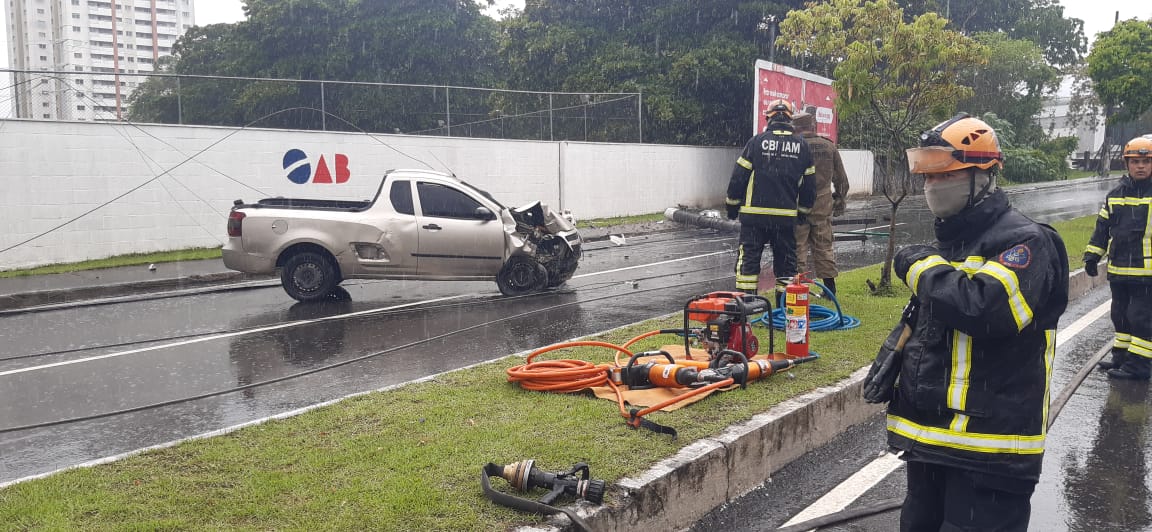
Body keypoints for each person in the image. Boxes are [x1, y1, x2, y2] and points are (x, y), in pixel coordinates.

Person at [887, 113, 1069, 531]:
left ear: (982, 175)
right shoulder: (952, 241)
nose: (933, 186)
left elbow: (985, 311)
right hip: (932, 442)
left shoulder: (1026, 241)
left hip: (992, 452)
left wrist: (919, 268)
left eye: (945, 174)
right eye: (928, 176)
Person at [725, 99, 815, 293]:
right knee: (786, 265)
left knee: (749, 261)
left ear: (769, 118)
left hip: (754, 218)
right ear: (790, 120)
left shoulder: (756, 142)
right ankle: (785, 305)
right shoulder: (802, 147)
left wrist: (732, 206)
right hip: (785, 219)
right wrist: (802, 212)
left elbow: (738, 177)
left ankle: (747, 303)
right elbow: (809, 186)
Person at [1083, 135, 1152, 380]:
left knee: (1141, 319)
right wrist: (1092, 257)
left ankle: (1140, 366)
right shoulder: (1115, 194)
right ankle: (1121, 357)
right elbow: (1102, 228)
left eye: (1146, 161)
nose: (1140, 166)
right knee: (1120, 315)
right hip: (1119, 270)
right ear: (1126, 163)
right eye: (1135, 162)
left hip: (1147, 273)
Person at [791, 111, 850, 294]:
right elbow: (842, 180)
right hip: (822, 206)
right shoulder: (828, 146)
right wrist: (839, 199)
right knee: (824, 248)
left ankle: (798, 290)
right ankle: (830, 290)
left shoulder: (793, 146)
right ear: (813, 126)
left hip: (797, 206)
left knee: (797, 249)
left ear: (795, 128)